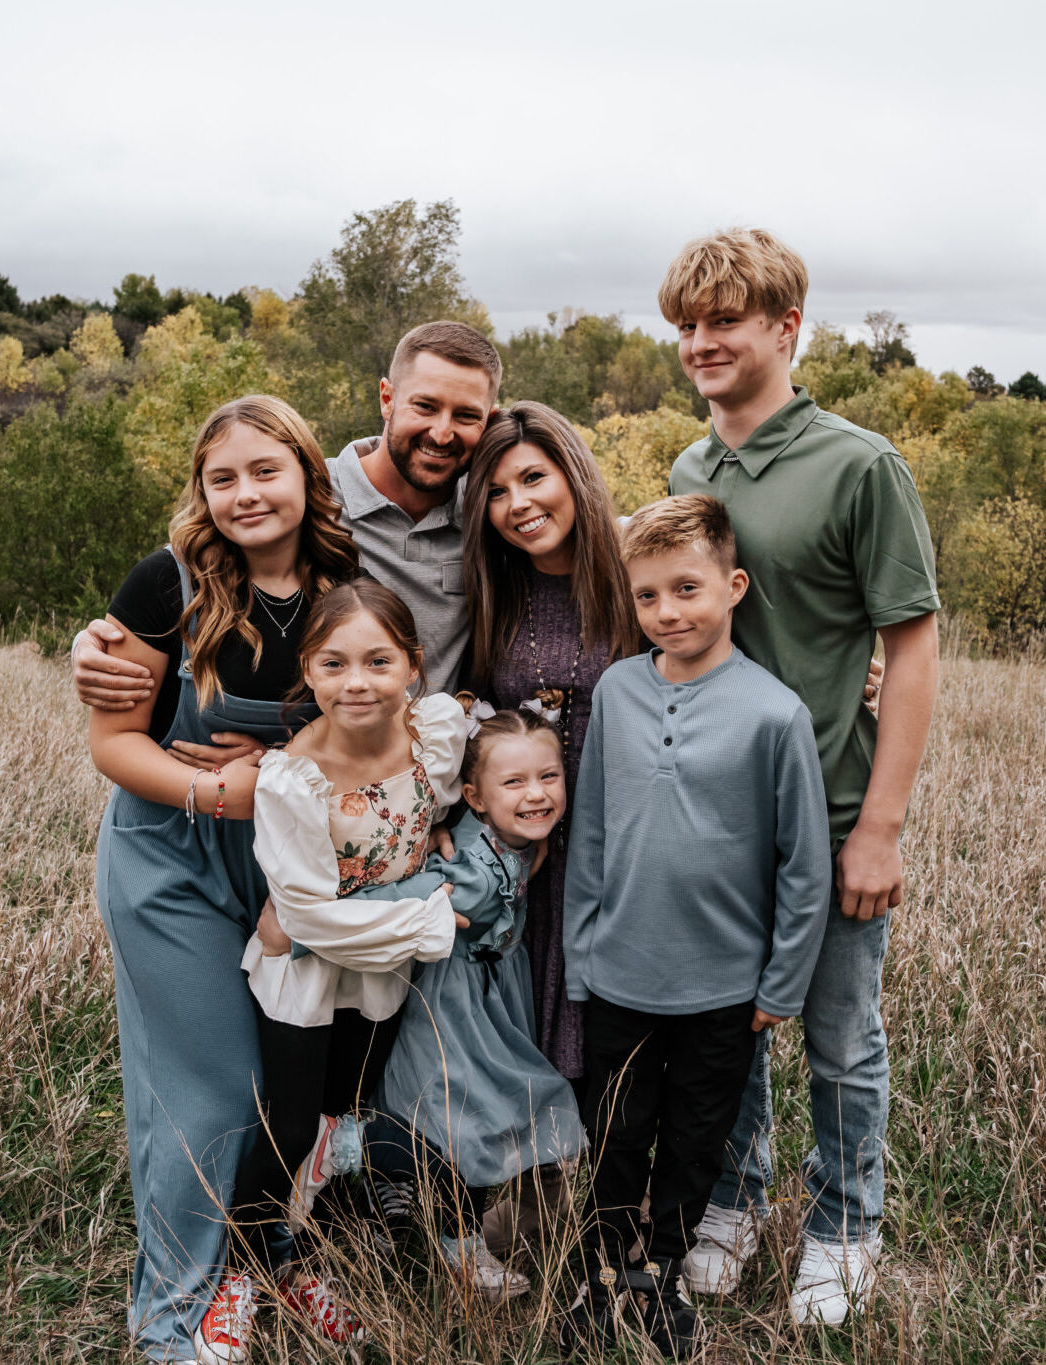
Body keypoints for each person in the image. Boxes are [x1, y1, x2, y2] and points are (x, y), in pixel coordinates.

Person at [661, 228, 940, 1325]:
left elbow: (909, 647)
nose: (701, 342)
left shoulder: (860, 464)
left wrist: (882, 826)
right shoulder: (693, 469)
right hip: (718, 813)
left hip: (828, 806)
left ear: (786, 327)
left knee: (839, 1035)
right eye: (686, 325)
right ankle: (733, 1198)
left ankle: (845, 1224)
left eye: (724, 321)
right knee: (729, 1022)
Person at [86, 395, 360, 1363]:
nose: (245, 493)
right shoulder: (167, 586)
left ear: (306, 473)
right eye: (223, 478)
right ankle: (170, 1322)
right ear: (202, 493)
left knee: (299, 1083)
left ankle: (272, 1256)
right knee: (210, 1091)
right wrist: (222, 797)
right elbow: (113, 744)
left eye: (265, 470)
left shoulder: (346, 581)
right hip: (170, 858)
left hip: (290, 870)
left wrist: (289, 764)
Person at [559, 494, 831, 1358]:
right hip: (618, 972)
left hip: (722, 985)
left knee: (692, 1137)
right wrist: (578, 955)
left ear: (733, 585)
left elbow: (803, 864)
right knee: (614, 1130)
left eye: (686, 589)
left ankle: (662, 1272)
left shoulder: (773, 712)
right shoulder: (617, 689)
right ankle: (605, 1269)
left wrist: (780, 984)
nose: (667, 612)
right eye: (647, 596)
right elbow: (592, 832)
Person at [234, 579, 466, 1341]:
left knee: (345, 1123)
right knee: (293, 1124)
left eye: (377, 661)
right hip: (305, 975)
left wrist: (438, 843)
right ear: (307, 669)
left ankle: (307, 1261)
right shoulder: (291, 778)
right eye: (333, 664)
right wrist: (432, 917)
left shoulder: (434, 733)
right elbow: (306, 920)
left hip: (378, 977)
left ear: (412, 665)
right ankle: (242, 1270)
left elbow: (445, 798)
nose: (356, 682)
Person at [70, 321, 502, 722]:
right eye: (424, 406)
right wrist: (90, 646)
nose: (442, 433)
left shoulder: (493, 516)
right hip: (321, 770)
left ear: (489, 420)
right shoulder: (303, 496)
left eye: (466, 416)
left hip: (440, 780)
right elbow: (188, 569)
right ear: (387, 399)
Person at [459, 401, 637, 1249]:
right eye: (494, 491)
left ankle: (622, 1215)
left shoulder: (634, 572)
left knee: (614, 1033)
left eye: (533, 476)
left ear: (573, 472)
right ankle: (530, 1202)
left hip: (621, 851)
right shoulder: (498, 591)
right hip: (521, 853)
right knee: (522, 1027)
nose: (518, 503)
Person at [343, 706, 587, 1298]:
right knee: (458, 1123)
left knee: (476, 1119)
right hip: (453, 1004)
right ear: (475, 799)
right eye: (515, 783)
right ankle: (359, 1162)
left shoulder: (522, 839)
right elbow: (390, 896)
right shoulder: (468, 868)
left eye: (548, 777)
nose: (536, 795)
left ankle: (411, 1215)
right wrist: (306, 921)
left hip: (495, 993)